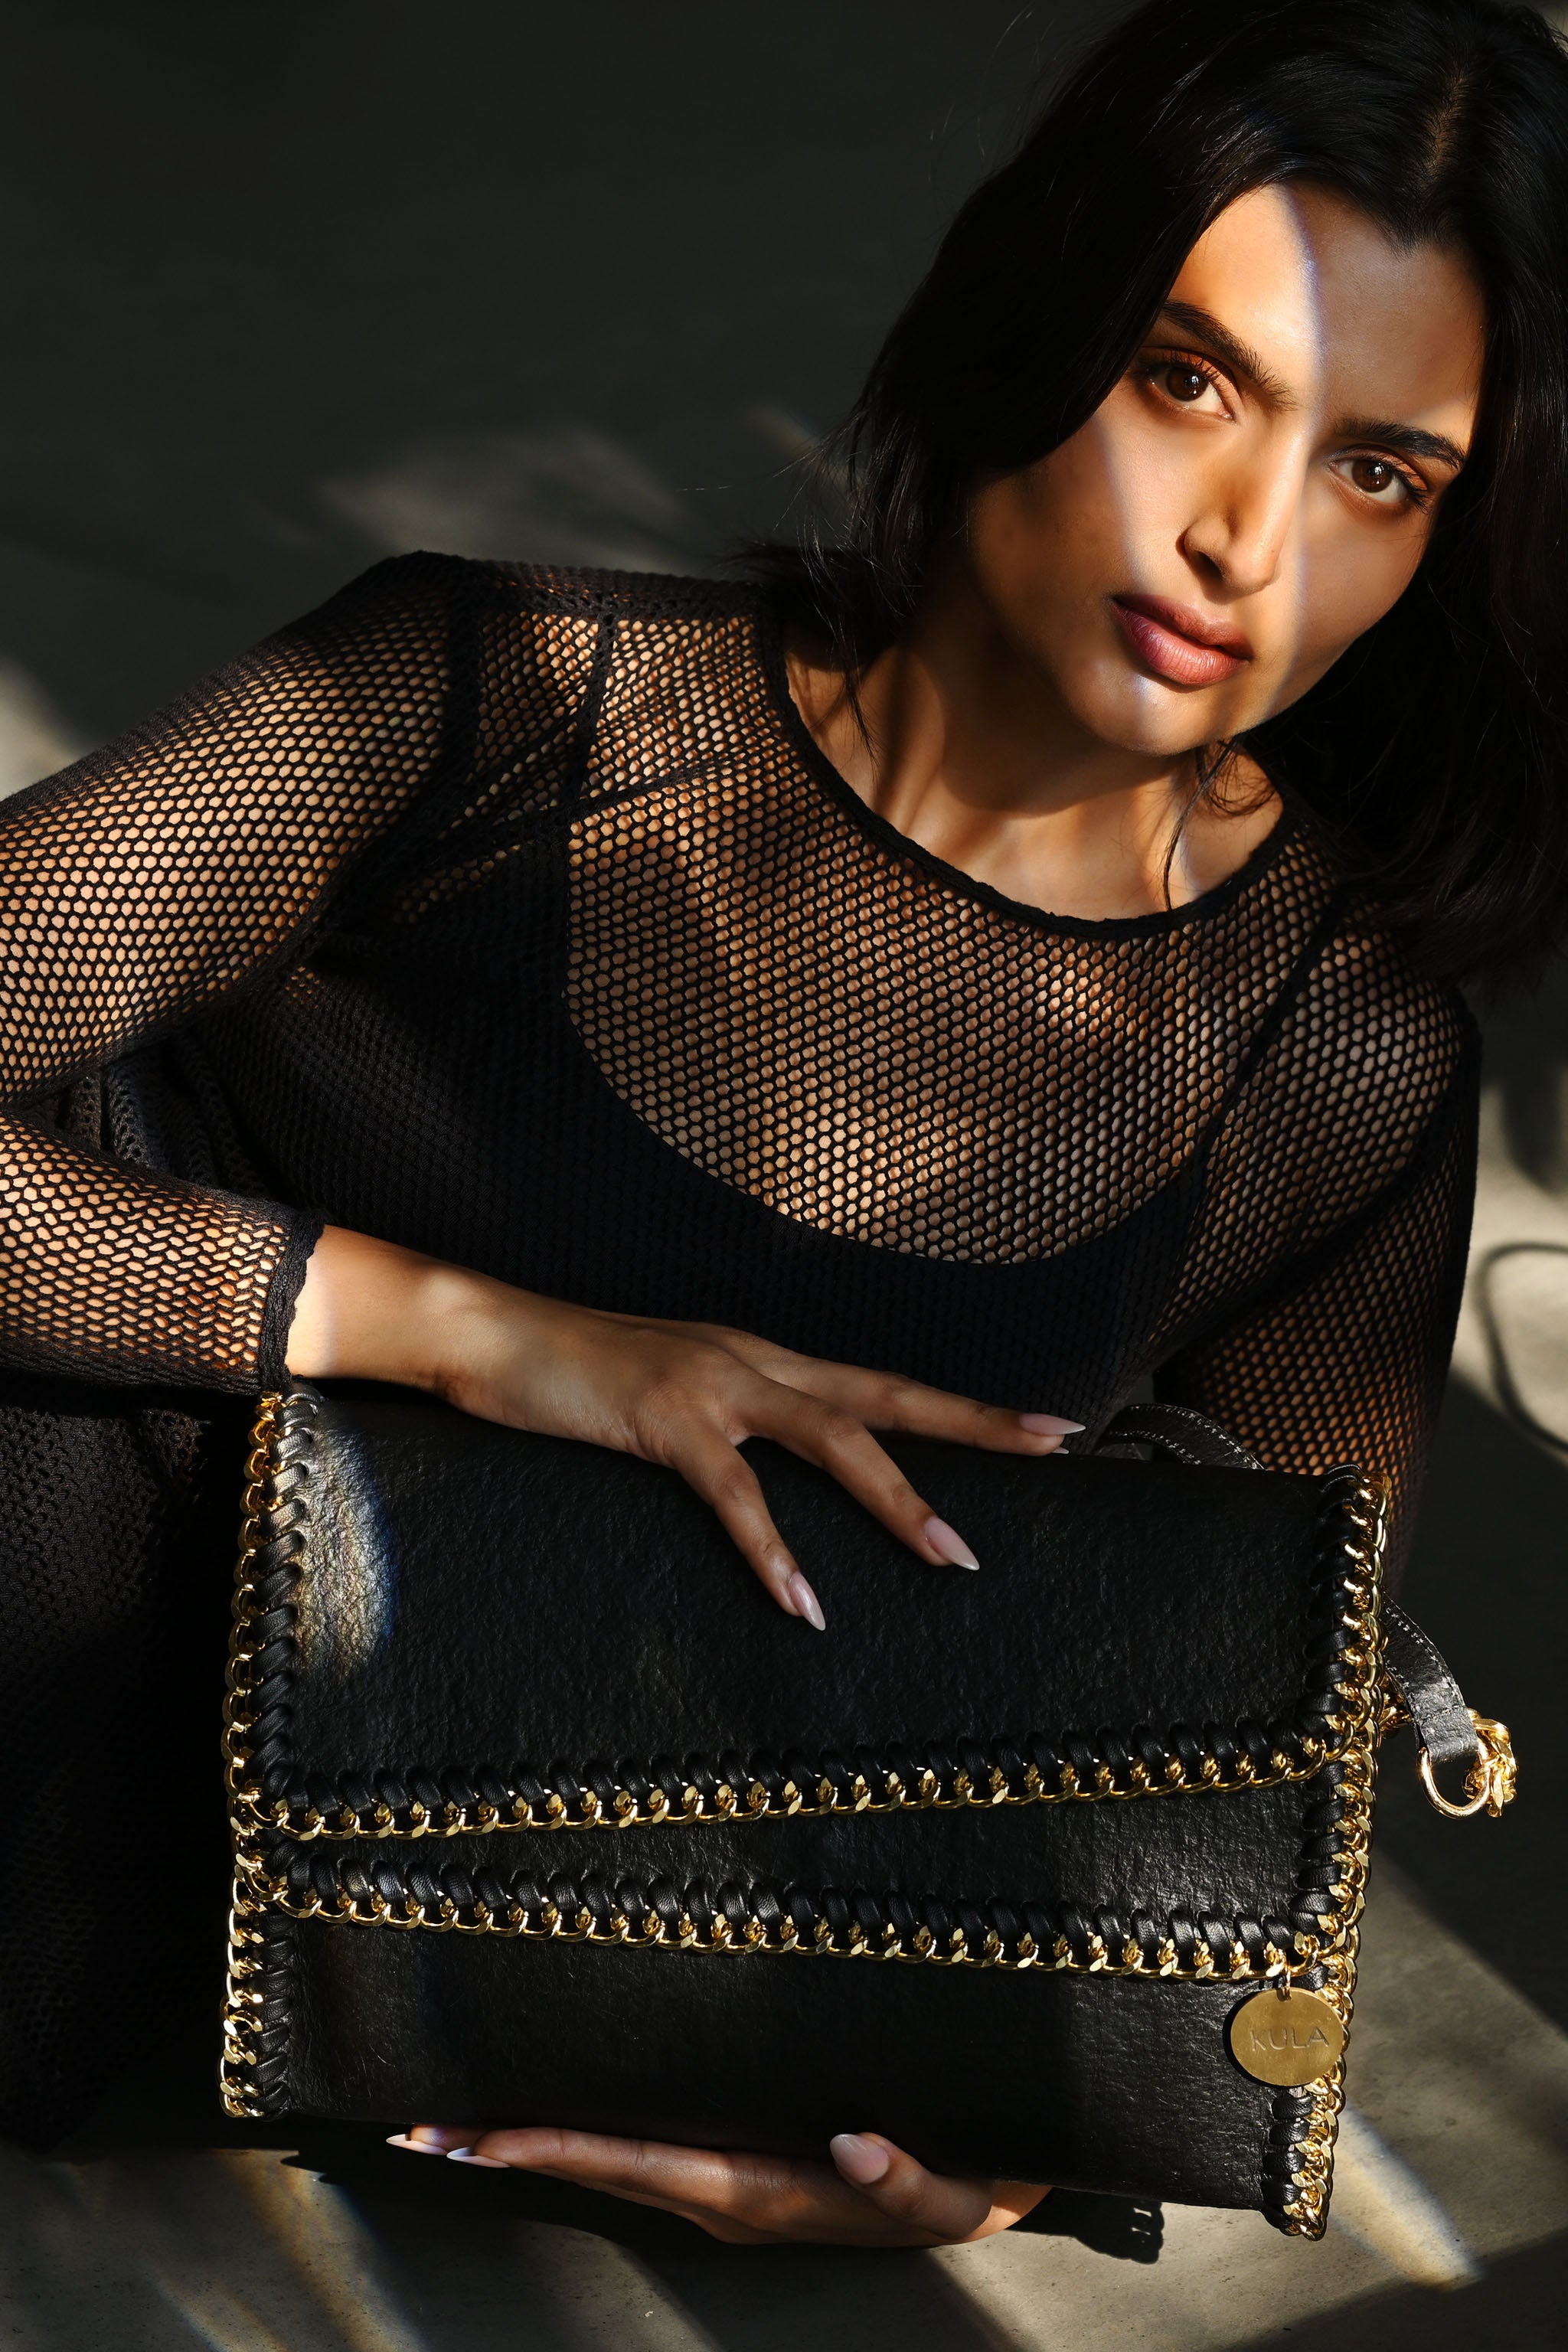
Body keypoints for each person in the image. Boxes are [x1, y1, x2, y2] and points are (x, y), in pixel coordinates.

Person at [2, 0, 1566, 2248]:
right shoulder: (506, 707)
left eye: (1381, 474)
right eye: (1187, 378)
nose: (1249, 541)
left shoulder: (1333, 1058)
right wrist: (473, 1333)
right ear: (1033, 316)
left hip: (526, 2053)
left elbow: (1256, 1730)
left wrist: (990, 2164)